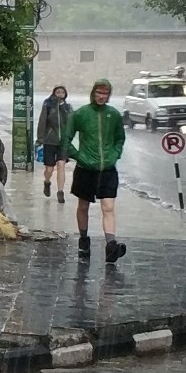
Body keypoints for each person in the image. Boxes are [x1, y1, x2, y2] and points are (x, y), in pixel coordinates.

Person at [66, 80, 126, 262]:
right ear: (93, 93)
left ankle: (111, 244)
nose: (101, 96)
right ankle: (84, 240)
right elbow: (66, 138)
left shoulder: (114, 115)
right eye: (99, 93)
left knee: (108, 207)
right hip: (85, 169)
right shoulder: (81, 114)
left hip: (108, 169)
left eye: (105, 94)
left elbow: (119, 139)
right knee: (83, 206)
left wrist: (115, 155)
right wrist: (78, 156)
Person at [36, 85, 73, 201]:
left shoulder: (68, 108)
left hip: (63, 143)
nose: (60, 94)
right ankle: (47, 182)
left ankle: (60, 192)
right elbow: (42, 122)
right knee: (49, 169)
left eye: (62, 92)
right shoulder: (48, 105)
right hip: (50, 141)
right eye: (58, 92)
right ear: (54, 93)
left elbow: (72, 123)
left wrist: (69, 138)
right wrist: (40, 139)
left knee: (61, 165)